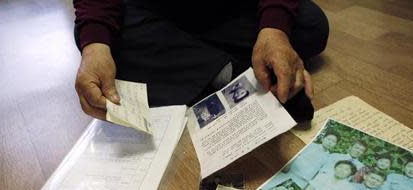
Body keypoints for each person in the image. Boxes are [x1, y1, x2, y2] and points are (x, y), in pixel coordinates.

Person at [73, 0, 329, 122]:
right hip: (151, 10)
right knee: (98, 41)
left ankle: (197, 68)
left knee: (310, 25)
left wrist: (275, 29)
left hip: (229, 11)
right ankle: (232, 74)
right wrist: (95, 46)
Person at [264, 131, 340, 189]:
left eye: (333, 142)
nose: (330, 142)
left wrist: (307, 186)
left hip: (302, 181)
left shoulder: (329, 157)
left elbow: (318, 173)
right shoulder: (311, 145)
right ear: (323, 138)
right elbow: (295, 156)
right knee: (270, 189)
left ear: (336, 145)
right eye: (328, 139)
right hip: (290, 173)